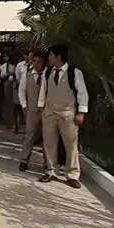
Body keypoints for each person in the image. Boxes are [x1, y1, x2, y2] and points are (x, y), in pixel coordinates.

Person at [37, 44, 89, 188]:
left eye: (51, 55)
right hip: (49, 113)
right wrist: (41, 108)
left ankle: (72, 174)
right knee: (49, 143)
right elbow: (43, 91)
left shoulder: (74, 72)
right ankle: (51, 171)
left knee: (71, 144)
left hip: (68, 114)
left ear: (58, 56)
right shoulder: (47, 72)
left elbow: (82, 93)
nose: (49, 58)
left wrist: (81, 112)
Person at [17, 49, 49, 172]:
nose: (36, 64)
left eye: (39, 62)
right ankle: (24, 160)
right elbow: (21, 91)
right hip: (32, 109)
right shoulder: (28, 75)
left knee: (47, 137)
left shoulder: (48, 74)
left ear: (44, 63)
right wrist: (24, 106)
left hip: (46, 110)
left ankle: (47, 163)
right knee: (29, 136)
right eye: (34, 61)